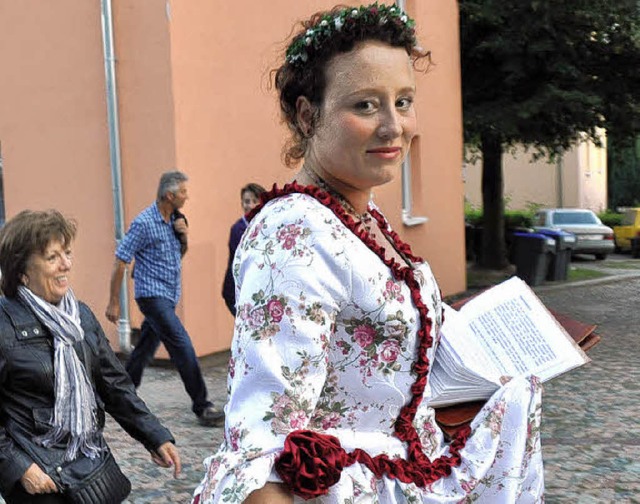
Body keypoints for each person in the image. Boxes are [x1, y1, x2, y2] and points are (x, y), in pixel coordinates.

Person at [193, 3, 544, 503]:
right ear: (307, 114)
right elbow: (264, 432)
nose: (393, 126)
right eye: (365, 105)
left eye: (403, 101)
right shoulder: (296, 230)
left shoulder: (361, 217)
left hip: (400, 475)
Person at [0, 209, 181, 504]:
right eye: (52, 257)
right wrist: (19, 468)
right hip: (38, 476)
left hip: (88, 462)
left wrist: (154, 435)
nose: (66, 265)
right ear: (22, 271)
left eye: (67, 254)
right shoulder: (3, 323)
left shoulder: (79, 316)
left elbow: (114, 384)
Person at [105, 170, 224, 427]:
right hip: (151, 295)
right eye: (183, 192)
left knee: (145, 347)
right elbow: (121, 260)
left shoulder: (176, 220)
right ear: (169, 195)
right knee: (182, 345)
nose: (187, 196)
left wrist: (184, 237)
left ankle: (119, 395)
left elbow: (173, 259)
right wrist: (114, 300)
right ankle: (202, 405)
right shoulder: (144, 223)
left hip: (168, 296)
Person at [222, 183, 266, 316]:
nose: (251, 205)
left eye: (255, 201)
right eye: (247, 201)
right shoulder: (238, 229)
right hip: (238, 291)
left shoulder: (267, 224)